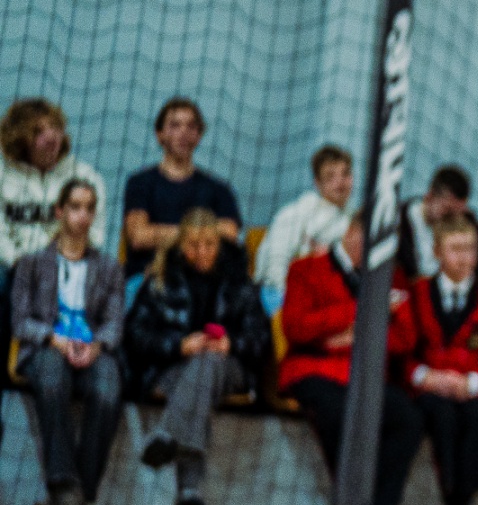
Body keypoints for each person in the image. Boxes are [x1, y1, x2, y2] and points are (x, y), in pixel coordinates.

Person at [279, 216, 424, 505]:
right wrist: (359, 312)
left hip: (366, 374)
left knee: (408, 419)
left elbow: (406, 338)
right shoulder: (306, 269)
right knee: (339, 414)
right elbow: (296, 327)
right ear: (352, 233)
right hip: (315, 369)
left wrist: (354, 338)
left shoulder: (392, 277)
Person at [128, 208, 271, 505]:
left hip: (230, 369)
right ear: (181, 245)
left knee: (209, 360)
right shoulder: (160, 280)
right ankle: (189, 494)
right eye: (194, 245)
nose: (202, 252)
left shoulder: (240, 283)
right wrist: (179, 346)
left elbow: (262, 340)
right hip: (172, 368)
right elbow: (135, 336)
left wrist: (230, 343)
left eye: (209, 244)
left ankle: (168, 434)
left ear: (219, 245)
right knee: (198, 374)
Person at [11, 179, 125, 505]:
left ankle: (80, 490)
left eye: (89, 208)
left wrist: (96, 346)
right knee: (51, 378)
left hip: (93, 348)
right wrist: (54, 339)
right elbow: (20, 321)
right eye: (75, 207)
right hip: (48, 346)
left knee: (108, 389)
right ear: (59, 211)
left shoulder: (109, 267)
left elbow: (114, 323)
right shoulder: (31, 263)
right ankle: (63, 487)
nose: (82, 215)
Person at [404, 213, 478, 505]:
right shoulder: (417, 292)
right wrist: (426, 377)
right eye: (456, 249)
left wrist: (471, 382)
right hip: (430, 387)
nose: (464, 258)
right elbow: (404, 352)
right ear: (437, 252)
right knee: (442, 417)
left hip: (471, 388)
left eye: (470, 249)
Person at [0, 99, 110, 388]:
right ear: (20, 138)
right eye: (38, 131)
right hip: (14, 267)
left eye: (55, 128)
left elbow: (96, 235)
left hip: (68, 265)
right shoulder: (3, 175)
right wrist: (24, 261)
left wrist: (53, 256)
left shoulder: (84, 176)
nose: (50, 137)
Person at [121, 97, 241, 278]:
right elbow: (139, 236)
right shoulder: (140, 183)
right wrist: (198, 234)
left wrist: (162, 234)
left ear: (199, 135)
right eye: (175, 125)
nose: (183, 133)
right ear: (159, 134)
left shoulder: (219, 189)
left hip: (203, 280)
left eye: (191, 126)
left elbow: (230, 233)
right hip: (148, 278)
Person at [254, 144, 354, 308]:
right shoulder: (295, 214)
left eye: (346, 173)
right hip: (278, 294)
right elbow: (275, 267)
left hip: (324, 299)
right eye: (330, 176)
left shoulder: (352, 221)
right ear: (317, 183)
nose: (340, 182)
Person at [397, 164, 472, 281]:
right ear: (430, 195)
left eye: (456, 214)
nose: (451, 219)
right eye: (447, 210)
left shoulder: (467, 228)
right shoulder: (397, 222)